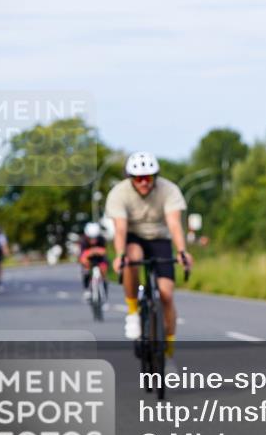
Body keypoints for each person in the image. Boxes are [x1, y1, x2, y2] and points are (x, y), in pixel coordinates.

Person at [106, 152, 191, 371]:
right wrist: (119, 255)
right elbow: (120, 228)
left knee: (166, 295)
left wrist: (182, 251)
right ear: (130, 178)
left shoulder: (168, 189)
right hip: (133, 238)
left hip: (160, 239)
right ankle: (133, 312)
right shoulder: (119, 193)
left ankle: (168, 354)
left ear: (155, 176)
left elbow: (174, 224)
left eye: (148, 177)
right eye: (138, 178)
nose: (144, 182)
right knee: (132, 257)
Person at [78, 221, 108, 302]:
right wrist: (93, 251)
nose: (93, 240)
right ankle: (87, 289)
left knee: (104, 269)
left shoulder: (102, 239)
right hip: (89, 260)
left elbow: (104, 252)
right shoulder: (83, 241)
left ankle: (104, 287)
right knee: (85, 268)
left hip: (100, 259)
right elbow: (82, 256)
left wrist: (93, 251)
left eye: (95, 238)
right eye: (91, 238)